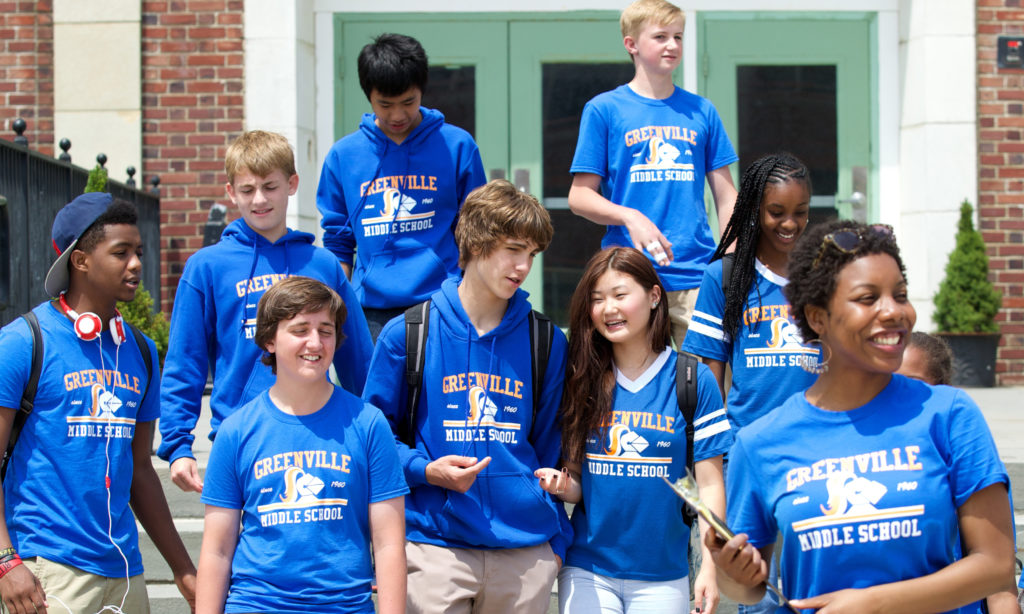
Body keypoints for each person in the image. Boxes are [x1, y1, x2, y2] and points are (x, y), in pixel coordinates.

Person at [708, 221, 1016, 612]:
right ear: (817, 317)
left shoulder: (949, 414)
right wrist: (733, 575)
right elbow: (748, 589)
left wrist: (873, 604)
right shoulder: (760, 442)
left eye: (900, 295)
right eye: (868, 298)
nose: (894, 311)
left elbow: (996, 565)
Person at [363, 179, 570, 614]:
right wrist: (425, 470)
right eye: (513, 249)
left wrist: (556, 545)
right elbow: (373, 444)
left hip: (523, 554)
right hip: (434, 549)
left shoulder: (546, 341)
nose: (523, 266)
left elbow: (555, 448)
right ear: (475, 243)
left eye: (532, 254)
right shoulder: (408, 334)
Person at [0, 193, 196, 613]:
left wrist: (183, 570)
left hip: (125, 573)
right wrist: (4, 562)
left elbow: (140, 469)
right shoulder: (22, 343)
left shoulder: (141, 352)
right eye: (121, 253)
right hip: (47, 572)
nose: (136, 264)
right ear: (81, 260)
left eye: (139, 252)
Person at [159, 130, 374, 494]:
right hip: (240, 435)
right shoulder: (206, 267)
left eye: (270, 187)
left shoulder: (322, 264)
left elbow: (358, 359)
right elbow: (185, 361)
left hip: (322, 432)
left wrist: (376, 428)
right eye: (247, 190)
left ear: (292, 184)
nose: (259, 199)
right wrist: (178, 445)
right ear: (231, 192)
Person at [536, 246, 733, 614]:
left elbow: (709, 486)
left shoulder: (692, 379)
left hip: (664, 575)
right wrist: (562, 485)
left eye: (620, 295)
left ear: (654, 296)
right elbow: (578, 484)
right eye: (597, 299)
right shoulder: (581, 379)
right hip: (588, 568)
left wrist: (710, 567)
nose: (608, 309)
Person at [195, 276, 407, 614]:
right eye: (300, 330)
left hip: (343, 606)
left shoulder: (368, 424)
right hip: (257, 604)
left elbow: (388, 545)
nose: (315, 343)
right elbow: (217, 550)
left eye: (326, 330)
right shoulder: (236, 431)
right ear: (269, 340)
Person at [681, 152, 816, 614]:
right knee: (758, 592)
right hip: (751, 456)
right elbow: (708, 377)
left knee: (815, 584)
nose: (790, 223)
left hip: (816, 452)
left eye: (800, 212)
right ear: (754, 209)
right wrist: (712, 457)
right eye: (777, 212)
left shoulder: (823, 277)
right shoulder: (724, 276)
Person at [567, 0, 738, 347]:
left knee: (702, 377)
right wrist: (630, 217)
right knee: (637, 377)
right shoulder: (604, 109)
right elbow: (579, 196)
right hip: (629, 276)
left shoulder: (701, 111)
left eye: (678, 36)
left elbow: (726, 196)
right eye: (660, 36)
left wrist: (732, 261)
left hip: (695, 276)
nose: (672, 45)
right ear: (631, 44)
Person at [316, 32, 487, 341]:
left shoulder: (457, 146)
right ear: (369, 96)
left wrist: (472, 299)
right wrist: (333, 312)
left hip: (443, 302)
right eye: (385, 104)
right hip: (369, 312)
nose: (397, 115)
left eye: (409, 102)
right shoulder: (344, 156)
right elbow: (338, 243)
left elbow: (476, 232)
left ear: (422, 90)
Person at [898, 332, 1021, 614]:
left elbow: (1000, 585)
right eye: (887, 384)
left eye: (913, 385)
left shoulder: (969, 463)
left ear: (943, 390)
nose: (898, 396)